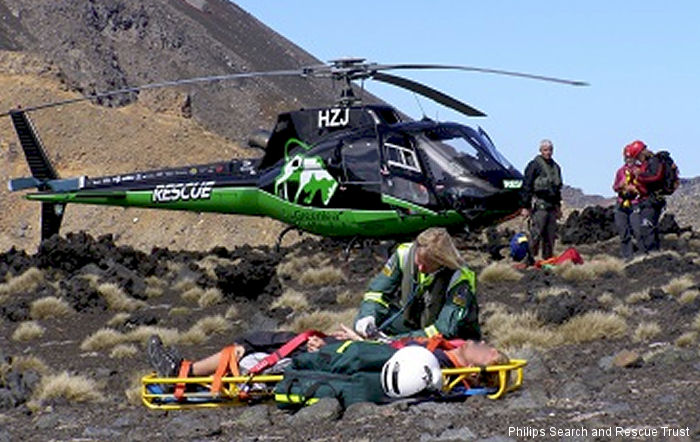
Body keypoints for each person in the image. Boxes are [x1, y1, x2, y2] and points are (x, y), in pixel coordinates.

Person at [353, 227, 481, 340]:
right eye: (418, 262)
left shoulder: (460, 279)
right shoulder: (404, 254)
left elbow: (444, 330)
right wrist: (368, 316)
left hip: (448, 336)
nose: (420, 269)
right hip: (413, 324)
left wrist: (395, 341)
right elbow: (376, 293)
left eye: (426, 265)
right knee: (369, 321)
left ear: (442, 263)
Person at [521, 139, 563, 262]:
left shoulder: (556, 167)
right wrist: (525, 206)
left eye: (550, 150)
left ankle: (547, 261)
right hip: (539, 207)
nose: (548, 152)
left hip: (551, 208)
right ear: (540, 151)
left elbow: (557, 189)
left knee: (550, 237)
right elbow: (527, 186)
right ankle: (529, 260)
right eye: (545, 150)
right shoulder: (534, 165)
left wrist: (558, 207)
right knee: (536, 235)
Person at [627, 140, 666, 252]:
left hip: (652, 200)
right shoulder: (647, 164)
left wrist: (639, 176)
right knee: (646, 229)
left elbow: (656, 177)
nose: (638, 160)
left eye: (638, 157)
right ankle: (653, 254)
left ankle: (654, 255)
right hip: (646, 200)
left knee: (647, 228)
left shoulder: (654, 161)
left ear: (641, 153)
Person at [612, 143, 646, 259]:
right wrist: (621, 186)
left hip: (635, 203)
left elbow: (644, 187)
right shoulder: (620, 171)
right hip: (621, 203)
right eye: (626, 157)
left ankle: (643, 255)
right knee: (623, 232)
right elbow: (615, 187)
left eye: (631, 157)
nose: (629, 160)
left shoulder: (639, 170)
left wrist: (634, 188)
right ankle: (627, 257)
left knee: (638, 231)